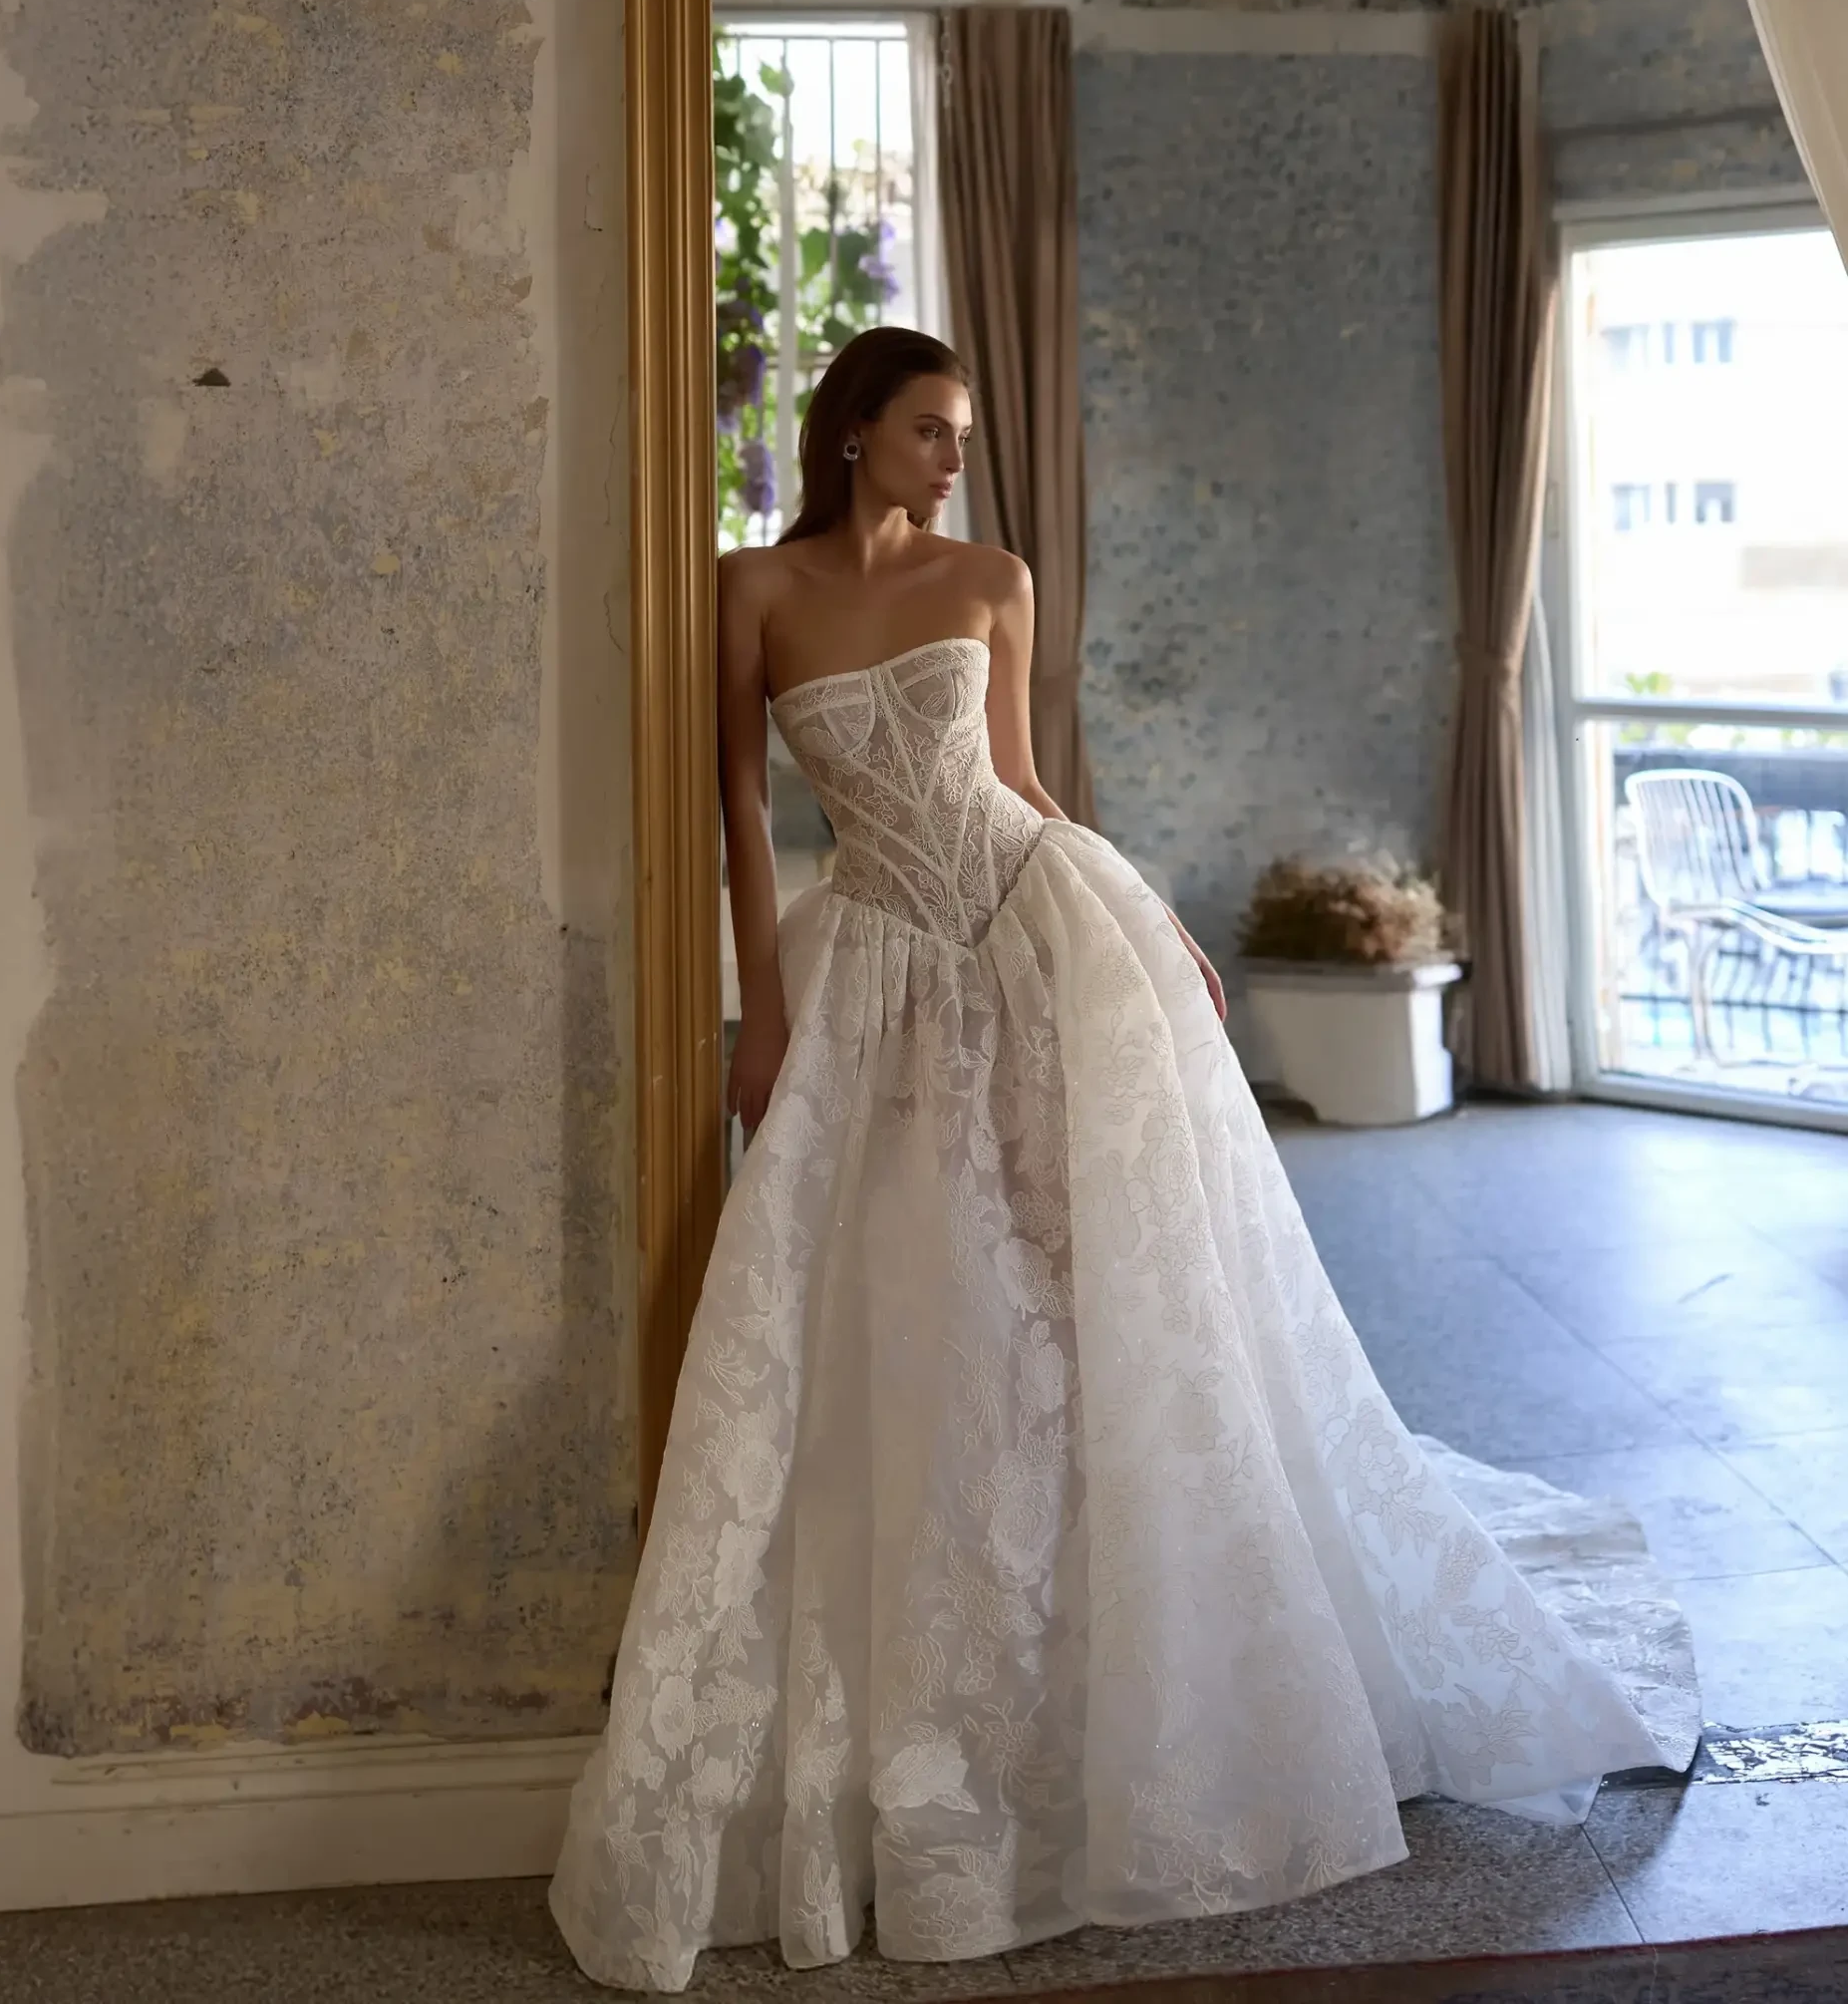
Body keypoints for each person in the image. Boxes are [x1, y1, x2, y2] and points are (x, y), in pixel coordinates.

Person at [549, 327, 1687, 1994]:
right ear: (856, 430)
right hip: (868, 951)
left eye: (961, 434)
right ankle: (959, 1702)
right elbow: (739, 801)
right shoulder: (752, 588)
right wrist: (758, 1008)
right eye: (929, 430)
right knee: (923, 1303)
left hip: (1035, 926)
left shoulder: (993, 578)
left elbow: (1022, 782)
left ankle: (1128, 1642)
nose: (953, 459)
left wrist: (1146, 917)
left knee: (1084, 1282)